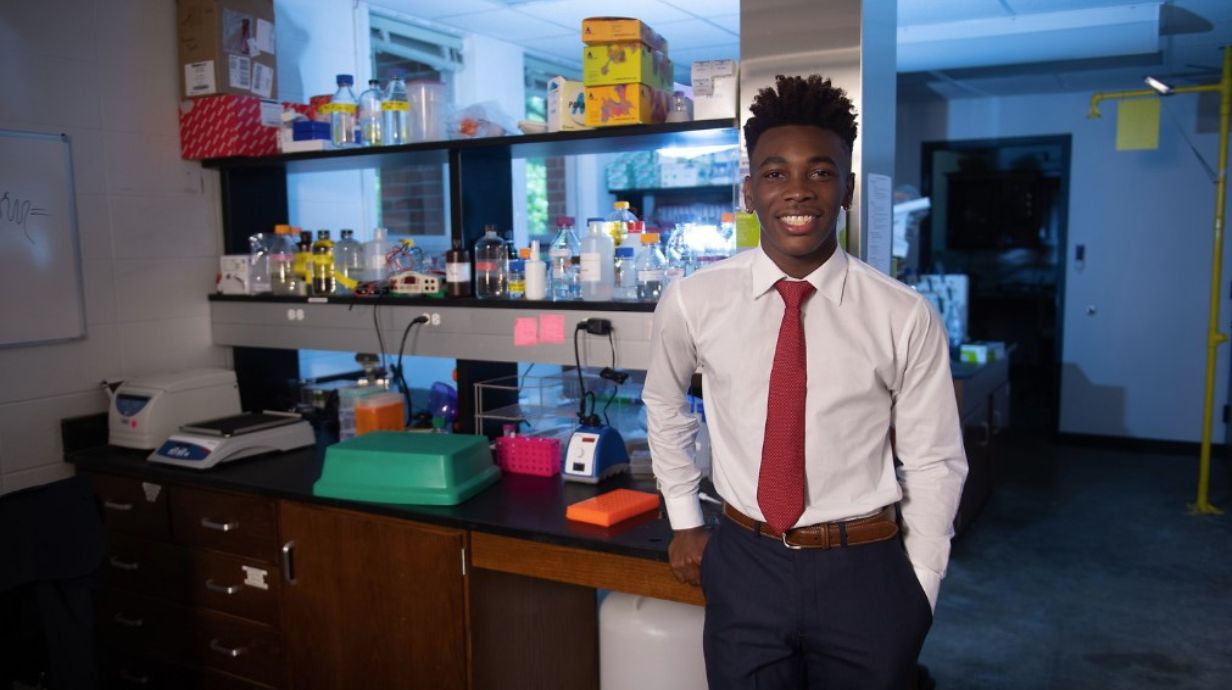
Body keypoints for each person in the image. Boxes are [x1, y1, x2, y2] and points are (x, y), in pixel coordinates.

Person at [642, 74, 968, 689]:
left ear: (846, 189)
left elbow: (935, 461)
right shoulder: (693, 301)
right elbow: (663, 403)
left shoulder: (903, 314)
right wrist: (684, 517)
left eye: (820, 173)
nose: (798, 191)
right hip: (746, 561)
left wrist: (919, 585)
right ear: (748, 192)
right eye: (775, 173)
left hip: (866, 570)